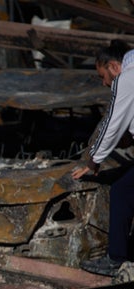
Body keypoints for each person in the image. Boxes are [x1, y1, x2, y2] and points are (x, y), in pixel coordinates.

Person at [73, 39, 134, 276]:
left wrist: (93, 159)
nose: (105, 82)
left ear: (113, 66)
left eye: (103, 76)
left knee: (121, 192)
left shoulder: (126, 78)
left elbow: (111, 122)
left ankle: (115, 259)